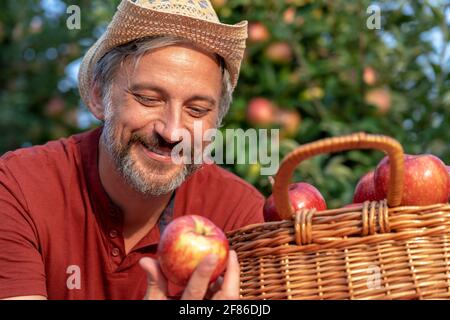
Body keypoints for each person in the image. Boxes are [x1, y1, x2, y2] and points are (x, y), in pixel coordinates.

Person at [0, 0, 264, 300]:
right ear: (100, 95)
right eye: (149, 99)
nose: (172, 131)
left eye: (197, 109)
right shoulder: (19, 187)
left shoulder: (240, 216)